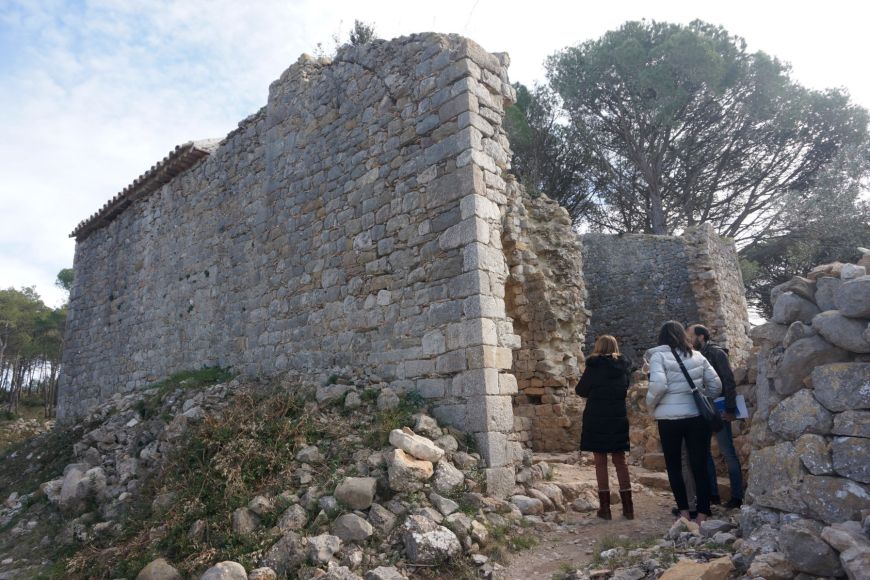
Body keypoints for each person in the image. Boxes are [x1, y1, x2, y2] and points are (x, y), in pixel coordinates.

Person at [646, 321, 722, 522]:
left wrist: (651, 405)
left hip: (669, 419)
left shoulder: (658, 356)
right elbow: (716, 385)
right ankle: (703, 513)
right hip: (697, 417)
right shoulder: (698, 356)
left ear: (661, 337)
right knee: (699, 464)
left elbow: (659, 385)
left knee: (674, 466)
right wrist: (702, 398)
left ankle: (685, 511)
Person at [576, 335, 634, 520]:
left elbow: (581, 390)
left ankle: (605, 509)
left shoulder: (593, 366)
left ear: (598, 347)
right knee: (620, 460)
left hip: (596, 416)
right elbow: (625, 387)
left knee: (600, 462)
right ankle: (628, 508)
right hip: (618, 415)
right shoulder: (625, 367)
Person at [688, 324, 744, 509]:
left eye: (691, 336)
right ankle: (712, 495)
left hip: (718, 408)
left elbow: (728, 381)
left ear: (701, 337)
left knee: (727, 452)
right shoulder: (693, 355)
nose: (688, 339)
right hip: (702, 408)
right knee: (704, 454)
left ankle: (737, 496)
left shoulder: (718, 354)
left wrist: (729, 409)